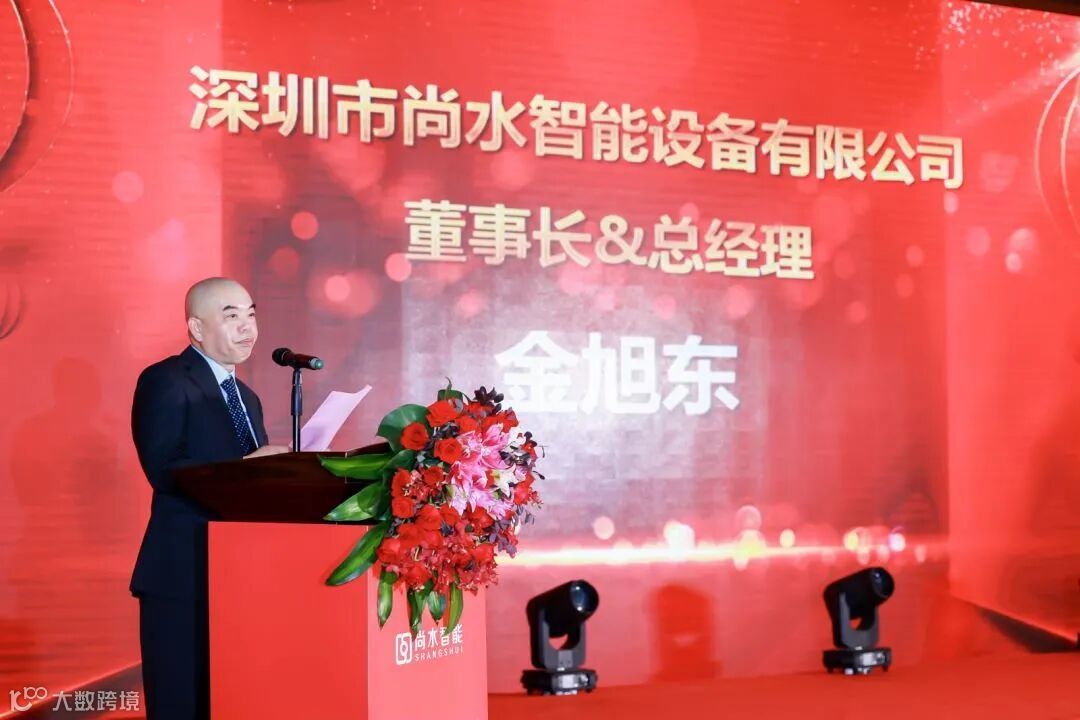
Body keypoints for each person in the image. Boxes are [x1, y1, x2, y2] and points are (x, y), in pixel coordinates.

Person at [130, 277, 288, 719]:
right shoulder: (166, 380)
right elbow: (163, 468)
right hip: (183, 571)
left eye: (251, 314)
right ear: (197, 328)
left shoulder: (248, 398)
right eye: (231, 316)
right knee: (181, 702)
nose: (247, 327)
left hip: (240, 574)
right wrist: (246, 466)